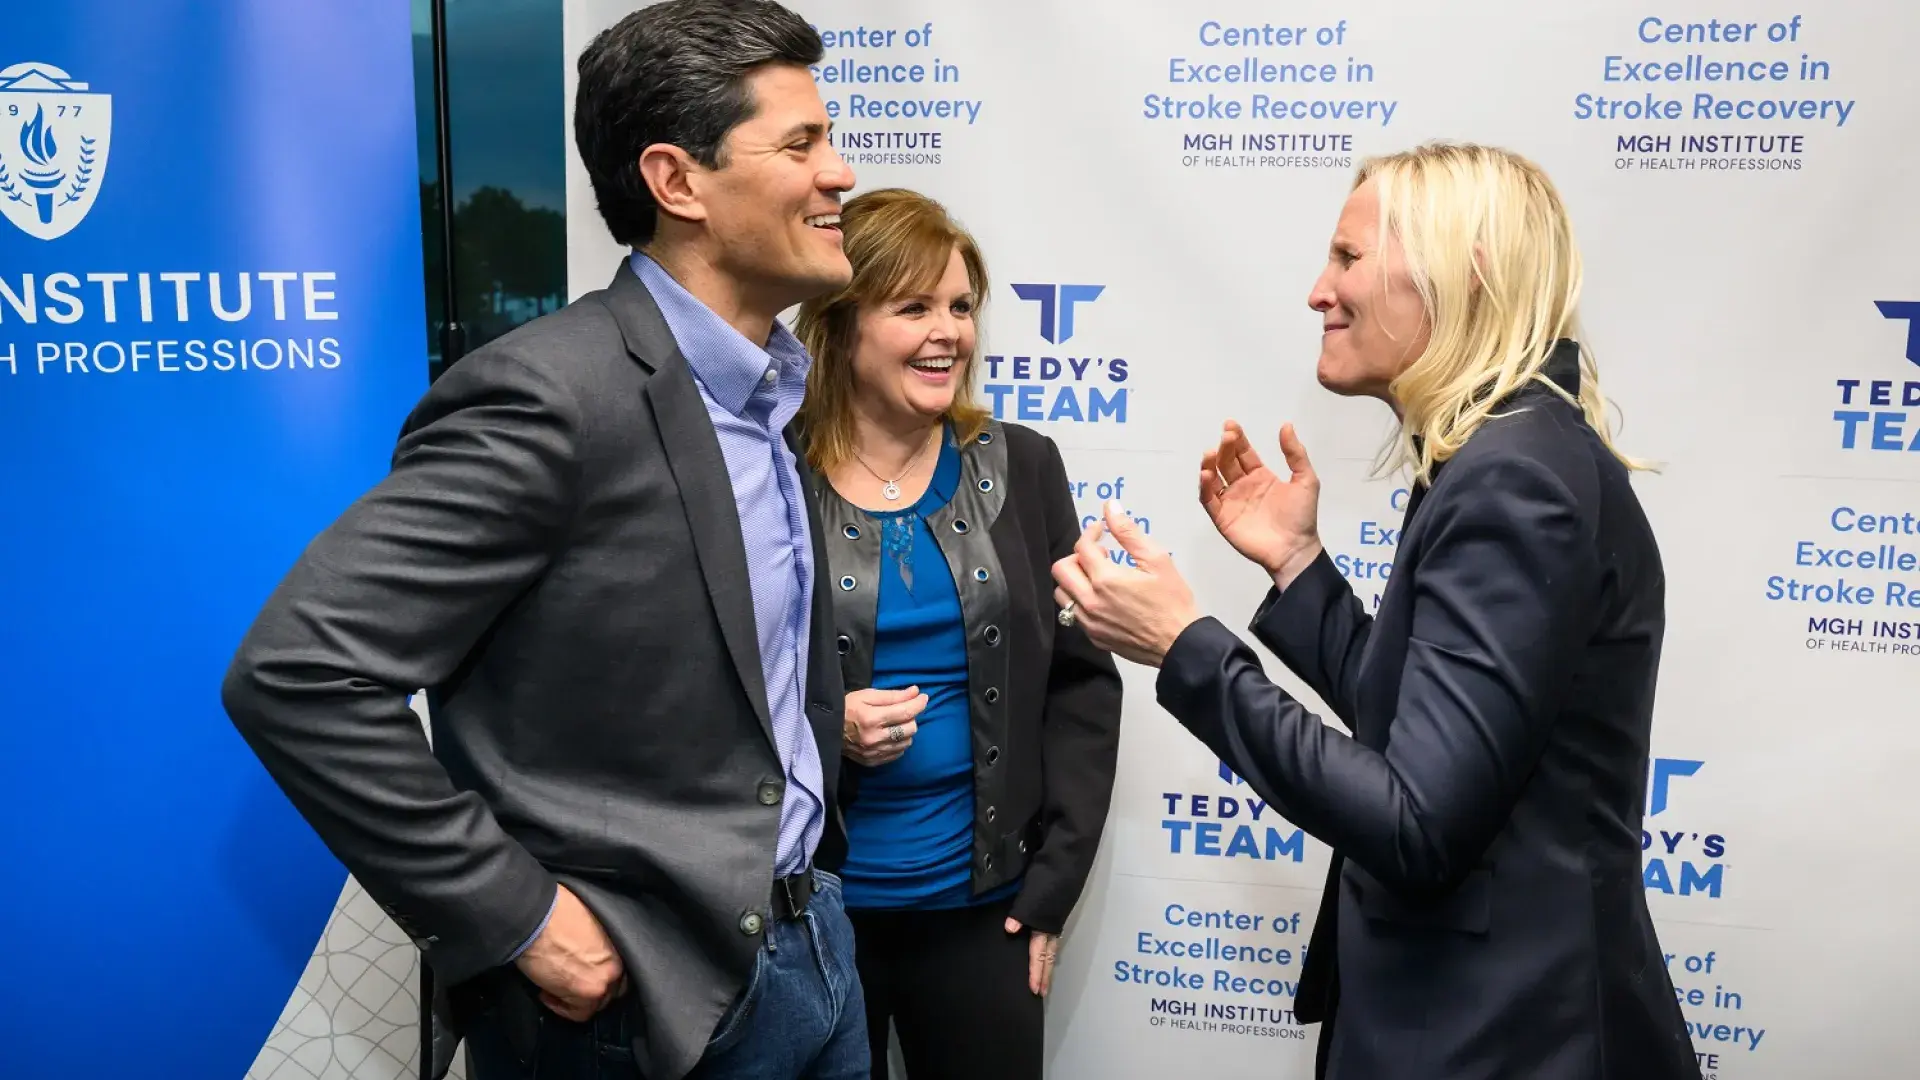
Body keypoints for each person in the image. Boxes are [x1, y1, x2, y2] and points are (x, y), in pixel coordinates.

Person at [220, 3, 872, 1078]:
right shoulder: (551, 397)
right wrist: (519, 917)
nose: (839, 173)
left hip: (816, 952)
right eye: (800, 144)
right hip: (646, 1009)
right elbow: (298, 671)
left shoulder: (768, 396)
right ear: (677, 181)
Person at [1049, 142, 1699, 1080]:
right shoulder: (1502, 454)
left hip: (1502, 1035)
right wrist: (1299, 566)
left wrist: (1186, 646)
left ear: (1464, 272)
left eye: (1348, 258)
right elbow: (1428, 732)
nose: (1319, 291)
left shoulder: (1514, 478)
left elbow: (1416, 822)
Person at [789, 188, 1122, 1080]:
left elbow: (1082, 687)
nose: (949, 333)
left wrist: (1052, 885)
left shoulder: (1025, 465)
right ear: (841, 325)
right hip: (808, 919)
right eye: (914, 308)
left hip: (986, 914)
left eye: (962, 306)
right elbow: (713, 682)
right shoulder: (767, 470)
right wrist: (826, 726)